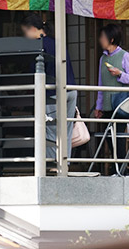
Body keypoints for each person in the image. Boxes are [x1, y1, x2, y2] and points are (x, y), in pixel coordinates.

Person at [21, 14, 78, 172]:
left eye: (25, 33)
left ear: (33, 29)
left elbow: (34, 73)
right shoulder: (57, 43)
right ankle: (64, 164)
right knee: (66, 130)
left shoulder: (39, 45)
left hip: (52, 92)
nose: (25, 37)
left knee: (51, 129)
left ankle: (53, 166)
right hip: (71, 89)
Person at [95, 24, 129, 165]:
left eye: (103, 37)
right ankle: (119, 168)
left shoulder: (124, 56)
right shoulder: (103, 59)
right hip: (107, 104)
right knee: (108, 136)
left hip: (120, 103)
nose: (100, 40)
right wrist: (98, 106)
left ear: (111, 39)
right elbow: (100, 84)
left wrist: (120, 74)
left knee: (118, 138)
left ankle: (120, 170)